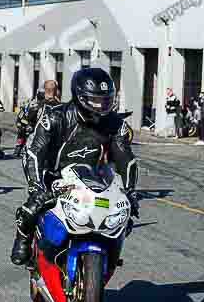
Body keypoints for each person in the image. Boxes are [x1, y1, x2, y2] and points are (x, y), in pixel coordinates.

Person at [10, 68, 140, 266]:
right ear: (80, 97)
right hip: (54, 176)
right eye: (96, 100)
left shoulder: (115, 124)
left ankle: (110, 255)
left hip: (94, 178)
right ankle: (23, 239)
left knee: (123, 215)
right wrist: (37, 187)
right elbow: (34, 152)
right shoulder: (54, 117)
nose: (102, 105)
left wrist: (130, 192)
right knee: (33, 206)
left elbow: (126, 158)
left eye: (106, 100)